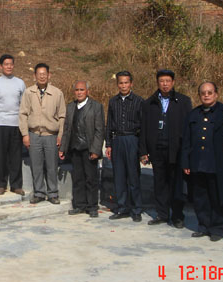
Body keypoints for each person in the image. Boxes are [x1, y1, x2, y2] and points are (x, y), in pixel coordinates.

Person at [181, 82, 223, 241]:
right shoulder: (193, 115)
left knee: (218, 197)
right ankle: (203, 226)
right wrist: (185, 162)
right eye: (203, 93)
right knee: (200, 198)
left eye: (210, 92)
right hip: (198, 162)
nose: (206, 95)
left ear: (216, 94)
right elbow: (186, 141)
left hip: (218, 164)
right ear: (199, 95)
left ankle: (218, 228)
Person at [139, 69, 192, 228]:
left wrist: (187, 151)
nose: (165, 84)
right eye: (162, 81)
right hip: (157, 150)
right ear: (157, 83)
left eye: (168, 81)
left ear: (173, 82)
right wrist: (143, 151)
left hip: (176, 150)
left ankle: (177, 216)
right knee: (160, 184)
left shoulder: (183, 101)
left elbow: (189, 128)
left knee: (176, 185)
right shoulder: (149, 103)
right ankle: (162, 214)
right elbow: (143, 128)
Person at [19, 63, 66, 204]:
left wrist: (60, 136)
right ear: (34, 76)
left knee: (52, 166)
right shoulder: (29, 92)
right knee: (36, 166)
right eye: (39, 74)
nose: (42, 76)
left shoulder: (57, 93)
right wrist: (25, 134)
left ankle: (53, 194)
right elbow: (23, 114)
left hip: (51, 135)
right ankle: (39, 193)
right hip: (34, 135)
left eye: (44, 74)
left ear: (49, 75)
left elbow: (62, 116)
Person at [59, 81, 105, 217]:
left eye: (82, 90)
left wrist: (96, 150)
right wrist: (63, 148)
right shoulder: (70, 107)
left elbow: (99, 130)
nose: (79, 92)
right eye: (77, 90)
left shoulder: (96, 107)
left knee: (91, 178)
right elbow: (67, 129)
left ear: (87, 91)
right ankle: (79, 205)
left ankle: (92, 206)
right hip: (75, 148)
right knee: (78, 178)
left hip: (89, 149)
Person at [105, 71, 144, 222]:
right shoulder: (113, 101)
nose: (123, 85)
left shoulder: (139, 101)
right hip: (117, 140)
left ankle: (136, 209)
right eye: (121, 83)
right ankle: (122, 207)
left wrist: (142, 148)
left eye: (126, 82)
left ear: (131, 84)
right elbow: (109, 124)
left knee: (133, 176)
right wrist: (109, 144)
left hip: (132, 139)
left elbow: (144, 126)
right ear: (117, 84)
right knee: (119, 176)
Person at [0, 54, 26, 196]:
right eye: (6, 64)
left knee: (16, 156)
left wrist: (24, 124)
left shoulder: (20, 83)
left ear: (13, 65)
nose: (9, 66)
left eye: (11, 64)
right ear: (1, 66)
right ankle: (0, 184)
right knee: (0, 155)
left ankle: (16, 185)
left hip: (16, 125)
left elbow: (24, 105)